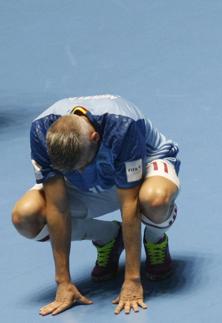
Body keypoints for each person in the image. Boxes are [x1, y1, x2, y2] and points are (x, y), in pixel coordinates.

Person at [11, 95, 181, 315]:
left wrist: (132, 278)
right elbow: (58, 207)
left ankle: (155, 239)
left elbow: (129, 205)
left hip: (143, 168)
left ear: (95, 137)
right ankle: (109, 235)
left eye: (81, 165)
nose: (80, 171)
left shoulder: (122, 127)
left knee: (155, 200)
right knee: (26, 217)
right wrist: (63, 282)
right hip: (90, 183)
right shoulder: (41, 132)